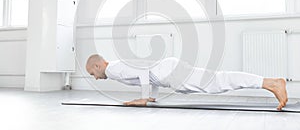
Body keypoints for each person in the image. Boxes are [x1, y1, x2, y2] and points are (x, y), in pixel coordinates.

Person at [85, 54, 288, 110]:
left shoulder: (111, 69)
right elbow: (146, 70)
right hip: (169, 70)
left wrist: (144, 98)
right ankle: (270, 83)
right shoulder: (116, 66)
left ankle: (272, 83)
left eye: (92, 73)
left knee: (219, 81)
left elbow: (143, 71)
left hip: (171, 73)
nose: (95, 78)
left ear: (98, 65)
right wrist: (152, 97)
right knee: (218, 80)